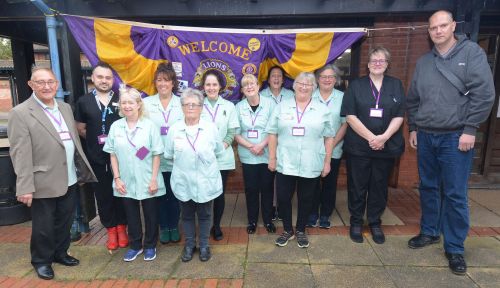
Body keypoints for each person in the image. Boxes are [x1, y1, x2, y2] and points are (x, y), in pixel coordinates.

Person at [406, 10, 495, 275]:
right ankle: (430, 231)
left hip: (456, 136)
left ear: (453, 26)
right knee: (429, 187)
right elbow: (413, 99)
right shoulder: (423, 62)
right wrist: (413, 127)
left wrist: (470, 129)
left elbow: (485, 95)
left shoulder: (471, 54)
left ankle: (455, 247)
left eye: (443, 26)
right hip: (426, 135)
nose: (438, 31)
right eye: (433, 28)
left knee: (455, 193)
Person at [8, 67, 96, 280]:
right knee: (43, 226)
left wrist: (80, 169)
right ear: (31, 85)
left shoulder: (64, 108)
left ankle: (60, 252)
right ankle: (41, 260)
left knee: (64, 220)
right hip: (42, 179)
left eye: (50, 82)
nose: (46, 86)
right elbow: (20, 153)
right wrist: (25, 186)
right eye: (41, 82)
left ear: (56, 84)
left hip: (69, 177)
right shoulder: (20, 113)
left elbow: (72, 142)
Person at [340, 46, 405, 245]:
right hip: (359, 147)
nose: (377, 63)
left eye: (382, 60)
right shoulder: (356, 86)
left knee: (379, 186)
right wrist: (372, 138)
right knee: (357, 186)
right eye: (374, 60)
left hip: (386, 146)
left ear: (387, 64)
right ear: (367, 65)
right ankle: (356, 221)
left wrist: (383, 137)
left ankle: (375, 222)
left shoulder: (396, 85)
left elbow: (399, 115)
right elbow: (350, 116)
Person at [266, 72, 334, 248]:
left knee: (306, 199)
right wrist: (272, 158)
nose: (304, 87)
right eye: (300, 83)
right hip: (285, 162)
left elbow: (329, 137)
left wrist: (327, 162)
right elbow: (272, 133)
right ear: (294, 86)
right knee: (283, 198)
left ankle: (301, 230)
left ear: (314, 88)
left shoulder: (322, 109)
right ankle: (288, 230)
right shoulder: (282, 107)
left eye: (308, 84)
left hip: (311, 162)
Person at [103, 87, 165, 262]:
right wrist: (117, 178)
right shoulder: (116, 126)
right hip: (125, 180)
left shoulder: (150, 126)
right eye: (124, 103)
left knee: (151, 214)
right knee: (131, 214)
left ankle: (151, 245)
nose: (127, 106)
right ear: (120, 106)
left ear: (138, 104)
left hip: (147, 177)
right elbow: (112, 154)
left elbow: (156, 153)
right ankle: (136, 245)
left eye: (131, 102)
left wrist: (154, 179)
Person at [164, 88, 224, 262]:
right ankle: (190, 245)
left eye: (195, 104)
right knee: (187, 215)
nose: (190, 107)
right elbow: (168, 155)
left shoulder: (210, 128)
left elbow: (219, 151)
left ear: (201, 107)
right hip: (183, 180)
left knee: (205, 214)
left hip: (206, 180)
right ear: (181, 107)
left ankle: (204, 245)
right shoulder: (174, 129)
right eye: (187, 104)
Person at [75, 61, 128, 252]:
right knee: (103, 195)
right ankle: (111, 230)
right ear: (93, 78)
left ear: (112, 80)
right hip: (97, 158)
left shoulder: (122, 99)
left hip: (121, 158)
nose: (104, 81)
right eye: (100, 77)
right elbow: (80, 128)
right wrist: (95, 140)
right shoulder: (84, 101)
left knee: (122, 193)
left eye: (108, 77)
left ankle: (123, 228)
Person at [143, 62, 184, 244]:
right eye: (159, 80)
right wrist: (140, 156)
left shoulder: (182, 103)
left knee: (174, 195)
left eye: (166, 80)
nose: (163, 84)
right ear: (155, 83)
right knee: (159, 195)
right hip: (154, 160)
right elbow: (139, 131)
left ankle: (174, 226)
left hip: (176, 159)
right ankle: (163, 227)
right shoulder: (145, 103)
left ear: (173, 83)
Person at [199, 70, 239, 241]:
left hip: (222, 157)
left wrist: (221, 146)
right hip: (203, 157)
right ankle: (205, 225)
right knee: (205, 192)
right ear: (203, 87)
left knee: (219, 194)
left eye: (214, 84)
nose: (211, 87)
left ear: (221, 86)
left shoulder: (229, 107)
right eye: (208, 84)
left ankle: (217, 226)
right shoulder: (198, 105)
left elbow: (232, 131)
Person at [235, 74, 276, 234]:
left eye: (252, 83)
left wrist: (261, 145)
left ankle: (267, 220)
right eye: (246, 85)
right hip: (248, 154)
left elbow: (274, 129)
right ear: (243, 90)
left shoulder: (270, 104)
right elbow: (236, 133)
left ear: (258, 86)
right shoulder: (238, 107)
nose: (249, 87)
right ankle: (252, 220)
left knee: (267, 188)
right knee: (251, 189)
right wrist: (252, 146)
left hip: (266, 153)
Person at [306, 64, 347, 229]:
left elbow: (345, 124)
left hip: (335, 148)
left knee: (329, 184)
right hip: (313, 149)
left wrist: (332, 142)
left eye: (331, 77)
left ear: (335, 80)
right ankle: (312, 213)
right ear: (317, 79)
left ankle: (325, 215)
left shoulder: (343, 97)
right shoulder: (309, 96)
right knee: (313, 183)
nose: (327, 80)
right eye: (323, 77)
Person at [260, 66, 294, 221]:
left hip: (287, 143)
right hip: (268, 143)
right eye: (273, 75)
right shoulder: (261, 95)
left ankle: (282, 206)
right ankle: (271, 207)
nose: (276, 78)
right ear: (268, 79)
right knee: (269, 178)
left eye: (279, 76)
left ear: (283, 79)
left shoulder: (291, 95)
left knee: (284, 178)